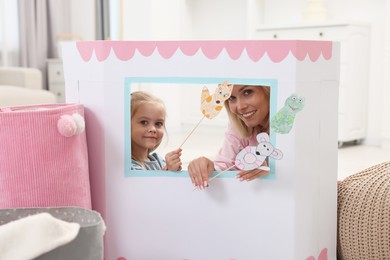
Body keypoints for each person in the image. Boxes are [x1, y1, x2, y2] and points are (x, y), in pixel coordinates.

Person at [188, 85, 270, 189]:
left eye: (247, 92)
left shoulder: (290, 131)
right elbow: (225, 166)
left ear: (268, 91)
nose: (240, 107)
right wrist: (209, 167)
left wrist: (270, 171)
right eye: (232, 98)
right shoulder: (238, 126)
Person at [131, 91, 182, 171]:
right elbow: (145, 183)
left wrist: (174, 172)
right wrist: (168, 173)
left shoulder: (159, 161)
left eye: (158, 123)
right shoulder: (129, 167)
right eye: (144, 122)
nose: (153, 129)